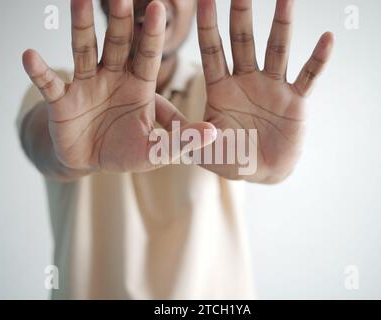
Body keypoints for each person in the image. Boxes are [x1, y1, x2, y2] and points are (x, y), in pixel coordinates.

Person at [18, 0, 333, 299]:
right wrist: (72, 150)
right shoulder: (61, 95)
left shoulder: (230, 96)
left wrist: (268, 165)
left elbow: (269, 169)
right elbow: (39, 143)